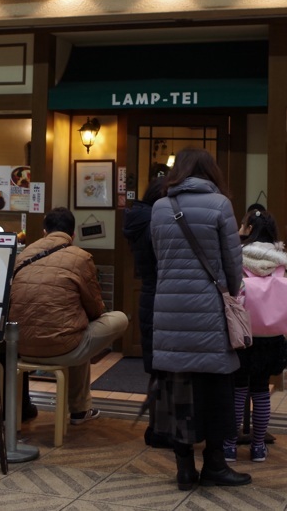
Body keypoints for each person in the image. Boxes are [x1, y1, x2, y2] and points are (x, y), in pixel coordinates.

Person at [149, 148, 252, 490]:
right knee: (213, 390)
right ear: (211, 171)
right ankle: (215, 466)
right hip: (208, 311)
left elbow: (158, 257)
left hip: (168, 311)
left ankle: (183, 469)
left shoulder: (161, 208)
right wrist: (227, 290)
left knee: (178, 391)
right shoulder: (220, 205)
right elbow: (233, 267)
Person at [8, 206, 129, 424]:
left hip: (21, 347)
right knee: (117, 318)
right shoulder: (80, 257)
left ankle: (81, 409)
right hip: (64, 348)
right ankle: (79, 409)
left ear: (45, 232)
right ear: (72, 235)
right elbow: (95, 308)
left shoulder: (22, 255)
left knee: (77, 329)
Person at [225, 209, 287, 464]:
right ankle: (258, 448)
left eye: (243, 225)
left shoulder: (238, 257)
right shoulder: (284, 260)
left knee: (238, 391)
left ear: (250, 229)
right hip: (272, 334)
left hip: (243, 332)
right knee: (262, 391)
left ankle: (230, 447)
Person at [121, 173, 172, 448]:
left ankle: (156, 428)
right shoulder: (161, 221)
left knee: (157, 367)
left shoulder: (138, 220)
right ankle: (168, 430)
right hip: (168, 295)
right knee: (171, 365)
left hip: (148, 295)